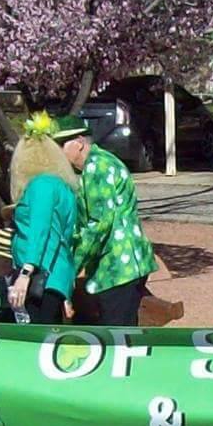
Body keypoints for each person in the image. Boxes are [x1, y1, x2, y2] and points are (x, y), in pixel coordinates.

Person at [63, 117, 157, 325]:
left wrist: (71, 266)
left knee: (116, 335)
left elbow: (98, 224)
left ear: (79, 142)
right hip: (127, 262)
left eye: (61, 145)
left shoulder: (97, 168)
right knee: (124, 328)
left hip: (118, 266)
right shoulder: (103, 161)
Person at [6, 114, 81, 325]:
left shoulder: (41, 185)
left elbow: (40, 229)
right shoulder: (63, 187)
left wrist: (25, 273)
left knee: (36, 340)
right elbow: (66, 237)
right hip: (56, 277)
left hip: (40, 278)